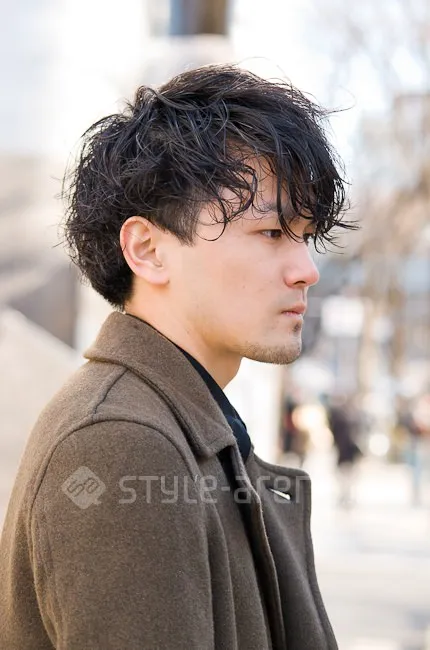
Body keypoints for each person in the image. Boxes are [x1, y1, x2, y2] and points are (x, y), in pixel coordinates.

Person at [0, 64, 355, 649]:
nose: (306, 271)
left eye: (306, 236)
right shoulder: (121, 441)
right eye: (271, 233)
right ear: (148, 249)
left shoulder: (186, 427)